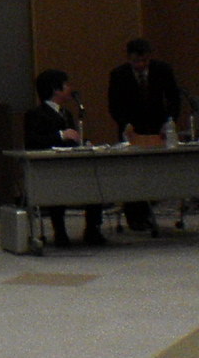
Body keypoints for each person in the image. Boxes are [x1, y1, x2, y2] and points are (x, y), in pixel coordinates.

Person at [23, 69, 105, 246]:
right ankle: (60, 232)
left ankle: (92, 229)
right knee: (57, 187)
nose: (70, 88)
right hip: (49, 170)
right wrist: (60, 135)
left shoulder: (66, 113)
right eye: (66, 85)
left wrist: (83, 143)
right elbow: (32, 141)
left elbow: (72, 138)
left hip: (72, 165)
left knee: (95, 182)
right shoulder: (35, 114)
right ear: (56, 89)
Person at [107, 38, 180, 230]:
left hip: (157, 128)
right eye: (136, 61)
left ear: (149, 57)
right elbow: (114, 105)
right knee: (133, 174)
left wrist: (169, 122)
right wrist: (125, 124)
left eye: (144, 61)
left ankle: (147, 212)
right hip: (131, 129)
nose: (140, 65)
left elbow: (174, 98)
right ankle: (134, 217)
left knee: (154, 173)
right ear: (129, 58)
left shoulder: (162, 70)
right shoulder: (119, 74)